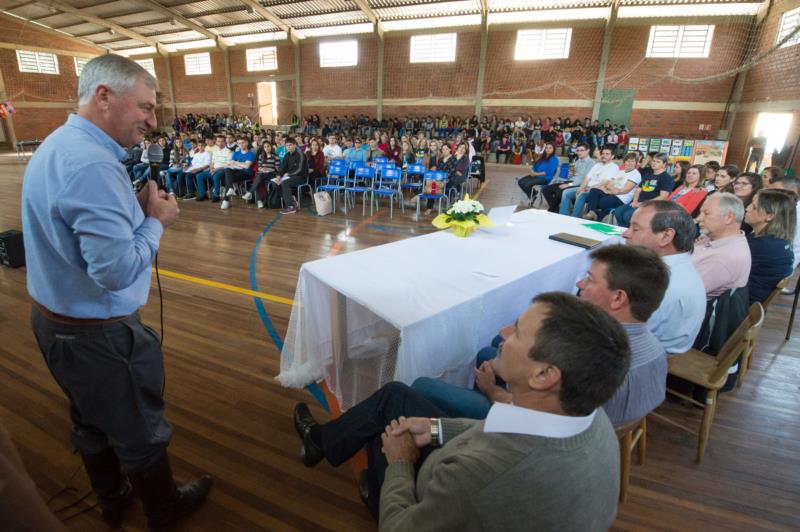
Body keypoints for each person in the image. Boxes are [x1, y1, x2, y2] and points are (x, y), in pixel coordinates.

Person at [20, 55, 211, 530]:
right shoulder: (91, 165)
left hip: (54, 322)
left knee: (88, 421)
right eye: (145, 106)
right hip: (97, 336)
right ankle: (164, 510)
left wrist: (133, 206)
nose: (153, 119)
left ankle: (112, 497)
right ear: (104, 96)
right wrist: (155, 221)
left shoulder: (58, 145)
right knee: (139, 431)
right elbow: (116, 270)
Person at [293, 292, 630, 530]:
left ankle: (369, 486)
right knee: (395, 397)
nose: (503, 334)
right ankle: (323, 442)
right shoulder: (591, 418)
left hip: (428, 502)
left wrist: (398, 464)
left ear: (543, 375)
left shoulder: (478, 478)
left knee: (390, 421)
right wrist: (437, 428)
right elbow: (509, 429)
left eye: (517, 331)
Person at [413, 245, 669, 427]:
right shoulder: (654, 347)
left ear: (618, 297)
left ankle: (458, 426)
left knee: (422, 386)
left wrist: (492, 391)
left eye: (590, 279)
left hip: (543, 429)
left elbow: (541, 419)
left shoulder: (597, 360)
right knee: (491, 352)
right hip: (604, 420)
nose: (580, 284)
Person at [622, 200, 706, 353]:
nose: (625, 233)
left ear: (666, 236)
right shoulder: (676, 267)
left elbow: (619, 339)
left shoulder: (660, 285)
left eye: (636, 229)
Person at [692, 193, 751, 298]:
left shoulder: (723, 258)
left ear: (729, 218)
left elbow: (681, 292)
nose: (699, 218)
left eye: (706, 213)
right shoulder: (717, 238)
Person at [744, 189, 796, 303]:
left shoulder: (764, 245)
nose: (747, 208)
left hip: (740, 305)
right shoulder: (776, 241)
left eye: (754, 207)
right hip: (749, 299)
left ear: (769, 216)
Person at [614, 152, 674, 227]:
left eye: (658, 162)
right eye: (654, 161)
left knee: (628, 216)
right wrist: (635, 201)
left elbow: (663, 197)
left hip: (652, 206)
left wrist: (644, 203)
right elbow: (638, 190)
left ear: (664, 164)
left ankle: (631, 233)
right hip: (638, 202)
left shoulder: (666, 178)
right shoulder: (648, 174)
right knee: (618, 211)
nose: (654, 163)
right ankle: (624, 231)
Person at [582, 152, 641, 220]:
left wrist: (609, 191)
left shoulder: (636, 174)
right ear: (624, 162)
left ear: (636, 163)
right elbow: (609, 184)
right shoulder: (621, 172)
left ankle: (594, 215)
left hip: (621, 198)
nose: (629, 163)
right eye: (628, 161)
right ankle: (593, 213)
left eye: (632, 161)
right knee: (594, 190)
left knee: (596, 201)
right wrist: (609, 190)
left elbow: (624, 190)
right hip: (612, 194)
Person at [564, 146, 619, 217]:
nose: (604, 155)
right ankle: (563, 215)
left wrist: (588, 189)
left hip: (598, 191)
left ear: (612, 156)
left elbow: (605, 183)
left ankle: (575, 218)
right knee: (566, 193)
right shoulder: (597, 165)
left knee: (581, 195)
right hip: (586, 188)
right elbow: (587, 178)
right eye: (603, 153)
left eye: (607, 154)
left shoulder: (614, 167)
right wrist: (581, 188)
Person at [543, 142, 593, 213]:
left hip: (579, 185)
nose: (579, 152)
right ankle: (555, 209)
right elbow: (572, 176)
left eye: (581, 150)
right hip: (570, 181)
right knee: (546, 189)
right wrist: (570, 174)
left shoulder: (591, 163)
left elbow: (583, 180)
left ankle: (556, 210)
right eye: (577, 150)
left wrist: (567, 185)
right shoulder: (578, 161)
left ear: (588, 151)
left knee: (559, 192)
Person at [767, 176, 800, 269]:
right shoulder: (785, 208)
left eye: (775, 191)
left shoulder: (795, 213)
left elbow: (795, 247)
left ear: (792, 191)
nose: (769, 196)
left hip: (777, 266)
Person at [272, 138, 307, 214]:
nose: (288, 147)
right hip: (289, 176)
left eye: (290, 145)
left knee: (285, 183)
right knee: (275, 183)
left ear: (295, 145)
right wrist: (278, 176)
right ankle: (291, 200)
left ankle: (291, 207)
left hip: (301, 176)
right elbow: (282, 168)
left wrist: (289, 174)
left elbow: (300, 169)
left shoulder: (300, 154)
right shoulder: (287, 155)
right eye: (287, 145)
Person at [220, 137, 255, 210]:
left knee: (228, 179)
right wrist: (240, 163)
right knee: (227, 169)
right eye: (239, 143)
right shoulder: (236, 153)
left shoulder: (251, 154)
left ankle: (227, 199)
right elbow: (231, 163)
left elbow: (246, 166)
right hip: (235, 171)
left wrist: (236, 162)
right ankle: (230, 189)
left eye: (243, 143)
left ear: (247, 143)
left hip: (246, 173)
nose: (241, 145)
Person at [243, 140, 278, 209]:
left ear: (271, 147)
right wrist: (262, 169)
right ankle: (259, 201)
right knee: (259, 178)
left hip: (272, 174)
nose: (267, 148)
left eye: (268, 146)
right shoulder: (261, 156)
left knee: (259, 177)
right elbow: (259, 167)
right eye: (265, 147)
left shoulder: (275, 156)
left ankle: (250, 193)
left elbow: (278, 168)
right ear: (263, 148)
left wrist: (269, 170)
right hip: (263, 173)